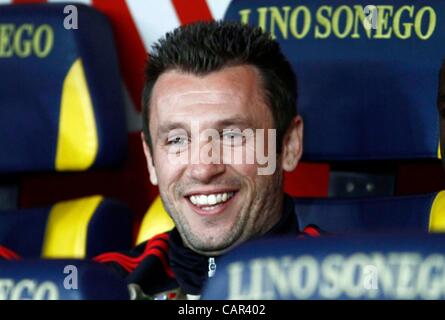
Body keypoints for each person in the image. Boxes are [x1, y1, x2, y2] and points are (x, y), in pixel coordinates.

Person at [94, 20, 322, 300]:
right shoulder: (98, 284)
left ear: (288, 145)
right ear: (151, 159)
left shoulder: (348, 284)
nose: (203, 169)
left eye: (231, 135)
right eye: (177, 140)